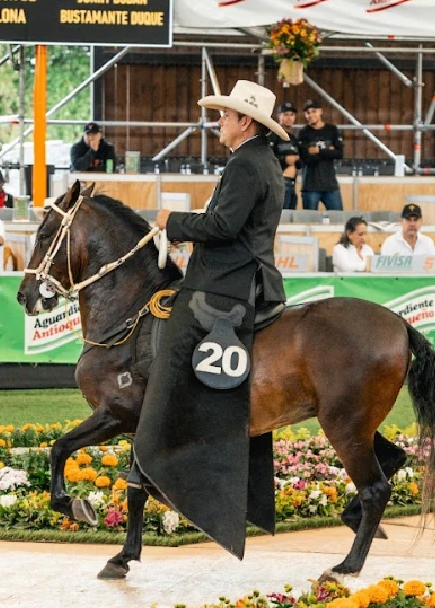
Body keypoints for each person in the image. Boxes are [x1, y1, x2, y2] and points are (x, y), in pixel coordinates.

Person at [143, 80, 288, 559]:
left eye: (225, 116)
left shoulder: (248, 163)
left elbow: (223, 227)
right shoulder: (257, 160)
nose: (218, 122)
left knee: (175, 344)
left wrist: (172, 222)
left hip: (229, 282)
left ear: (244, 121)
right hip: (238, 273)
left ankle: (164, 444)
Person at [296, 99, 344, 211]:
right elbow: (306, 158)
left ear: (320, 112)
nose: (311, 115)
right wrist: (328, 151)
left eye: (314, 111)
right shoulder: (303, 133)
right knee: (309, 222)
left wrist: (318, 150)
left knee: (338, 219)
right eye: (308, 113)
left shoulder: (332, 130)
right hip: (310, 186)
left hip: (330, 185)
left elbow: (339, 153)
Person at [269, 102, 301, 210]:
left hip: (293, 183)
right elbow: (267, 158)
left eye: (292, 115)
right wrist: (285, 159)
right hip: (279, 182)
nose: (289, 118)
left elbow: (300, 161)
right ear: (279, 116)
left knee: (290, 218)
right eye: (286, 114)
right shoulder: (272, 135)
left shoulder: (293, 138)